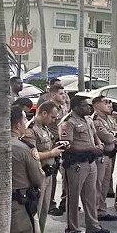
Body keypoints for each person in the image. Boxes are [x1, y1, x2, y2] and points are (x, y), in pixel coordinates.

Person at [59, 95, 110, 233]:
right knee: (73, 199)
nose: (88, 108)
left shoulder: (88, 120)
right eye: (84, 106)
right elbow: (68, 145)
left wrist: (99, 145)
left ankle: (93, 226)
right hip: (76, 164)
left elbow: (95, 136)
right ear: (75, 107)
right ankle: (72, 231)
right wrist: (91, 148)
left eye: (88, 105)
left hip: (90, 162)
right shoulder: (68, 122)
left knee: (91, 196)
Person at [28, 101, 66, 233]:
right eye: (52, 117)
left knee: (43, 211)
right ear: (43, 113)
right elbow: (32, 154)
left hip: (48, 172)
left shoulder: (44, 127)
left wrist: (59, 146)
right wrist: (51, 153)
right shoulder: (31, 130)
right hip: (38, 174)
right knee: (35, 212)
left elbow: (49, 145)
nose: (54, 120)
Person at [92, 97, 117, 222]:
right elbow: (107, 138)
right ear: (97, 105)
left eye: (110, 102)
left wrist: (114, 134)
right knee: (97, 185)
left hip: (111, 154)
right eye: (106, 102)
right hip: (101, 157)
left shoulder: (110, 118)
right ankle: (94, 211)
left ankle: (102, 210)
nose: (110, 105)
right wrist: (115, 134)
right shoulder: (95, 120)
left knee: (105, 184)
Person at [45, 83, 68, 217]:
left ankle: (65, 202)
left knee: (66, 175)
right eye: (60, 93)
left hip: (64, 145)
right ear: (53, 94)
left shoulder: (63, 107)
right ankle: (50, 204)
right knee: (52, 177)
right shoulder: (49, 108)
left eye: (64, 93)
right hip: (52, 145)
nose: (63, 95)